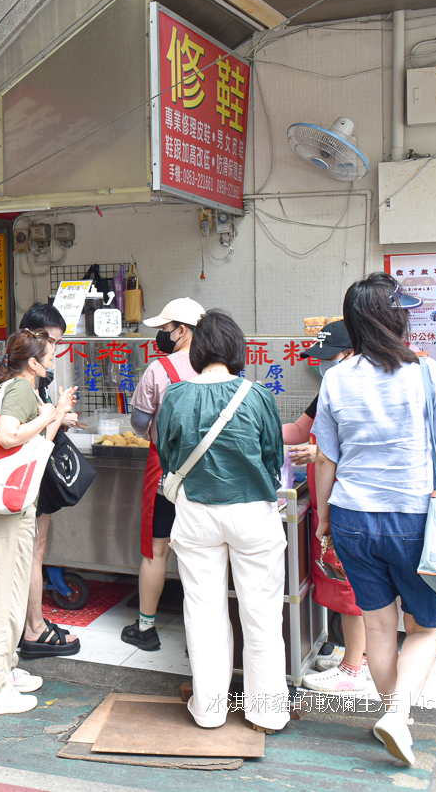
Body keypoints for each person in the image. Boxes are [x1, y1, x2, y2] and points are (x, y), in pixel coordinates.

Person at [313, 273, 436, 767]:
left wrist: (323, 518)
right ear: (397, 319)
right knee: (426, 627)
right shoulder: (426, 373)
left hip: (352, 518)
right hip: (415, 519)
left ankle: (393, 718)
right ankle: (398, 714)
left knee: (379, 628)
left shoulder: (336, 377)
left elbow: (326, 458)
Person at [156, 310, 289, 734]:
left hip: (197, 513)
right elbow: (273, 458)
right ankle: (266, 712)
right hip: (253, 513)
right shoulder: (258, 396)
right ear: (237, 349)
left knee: (203, 611)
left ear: (197, 351)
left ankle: (210, 709)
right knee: (262, 614)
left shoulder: (176, 395)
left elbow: (168, 458)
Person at [0, 329, 76, 716]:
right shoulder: (19, 389)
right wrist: (48, 415)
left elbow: (33, 444)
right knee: (6, 600)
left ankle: (5, 671)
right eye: (48, 358)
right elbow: (9, 435)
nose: (51, 364)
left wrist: (56, 414)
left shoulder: (8, 389)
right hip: (7, 509)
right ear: (32, 363)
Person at [285, 321, 373, 696]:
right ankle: (358, 656)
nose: (322, 366)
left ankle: (353, 668)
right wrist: (252, 423)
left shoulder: (369, 391)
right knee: (343, 582)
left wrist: (320, 453)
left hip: (351, 504)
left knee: (353, 587)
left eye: (328, 358)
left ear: (351, 354)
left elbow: (364, 449)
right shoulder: (329, 389)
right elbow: (298, 431)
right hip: (332, 502)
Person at [122, 297, 205, 651]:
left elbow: (140, 422)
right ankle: (203, 633)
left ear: (182, 331)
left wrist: (152, 430)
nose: (161, 336)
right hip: (208, 473)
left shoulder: (159, 370)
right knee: (203, 552)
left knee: (157, 550)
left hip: (165, 471)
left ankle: (146, 628)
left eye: (165, 330)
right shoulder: (221, 368)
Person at [16, 303, 81, 660]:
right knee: (32, 552)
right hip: (28, 478)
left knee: (34, 550)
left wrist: (57, 416)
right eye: (52, 342)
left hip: (32, 476)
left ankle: (33, 624)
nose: (55, 351)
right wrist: (56, 415)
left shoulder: (32, 378)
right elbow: (24, 438)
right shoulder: (22, 384)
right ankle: (34, 629)